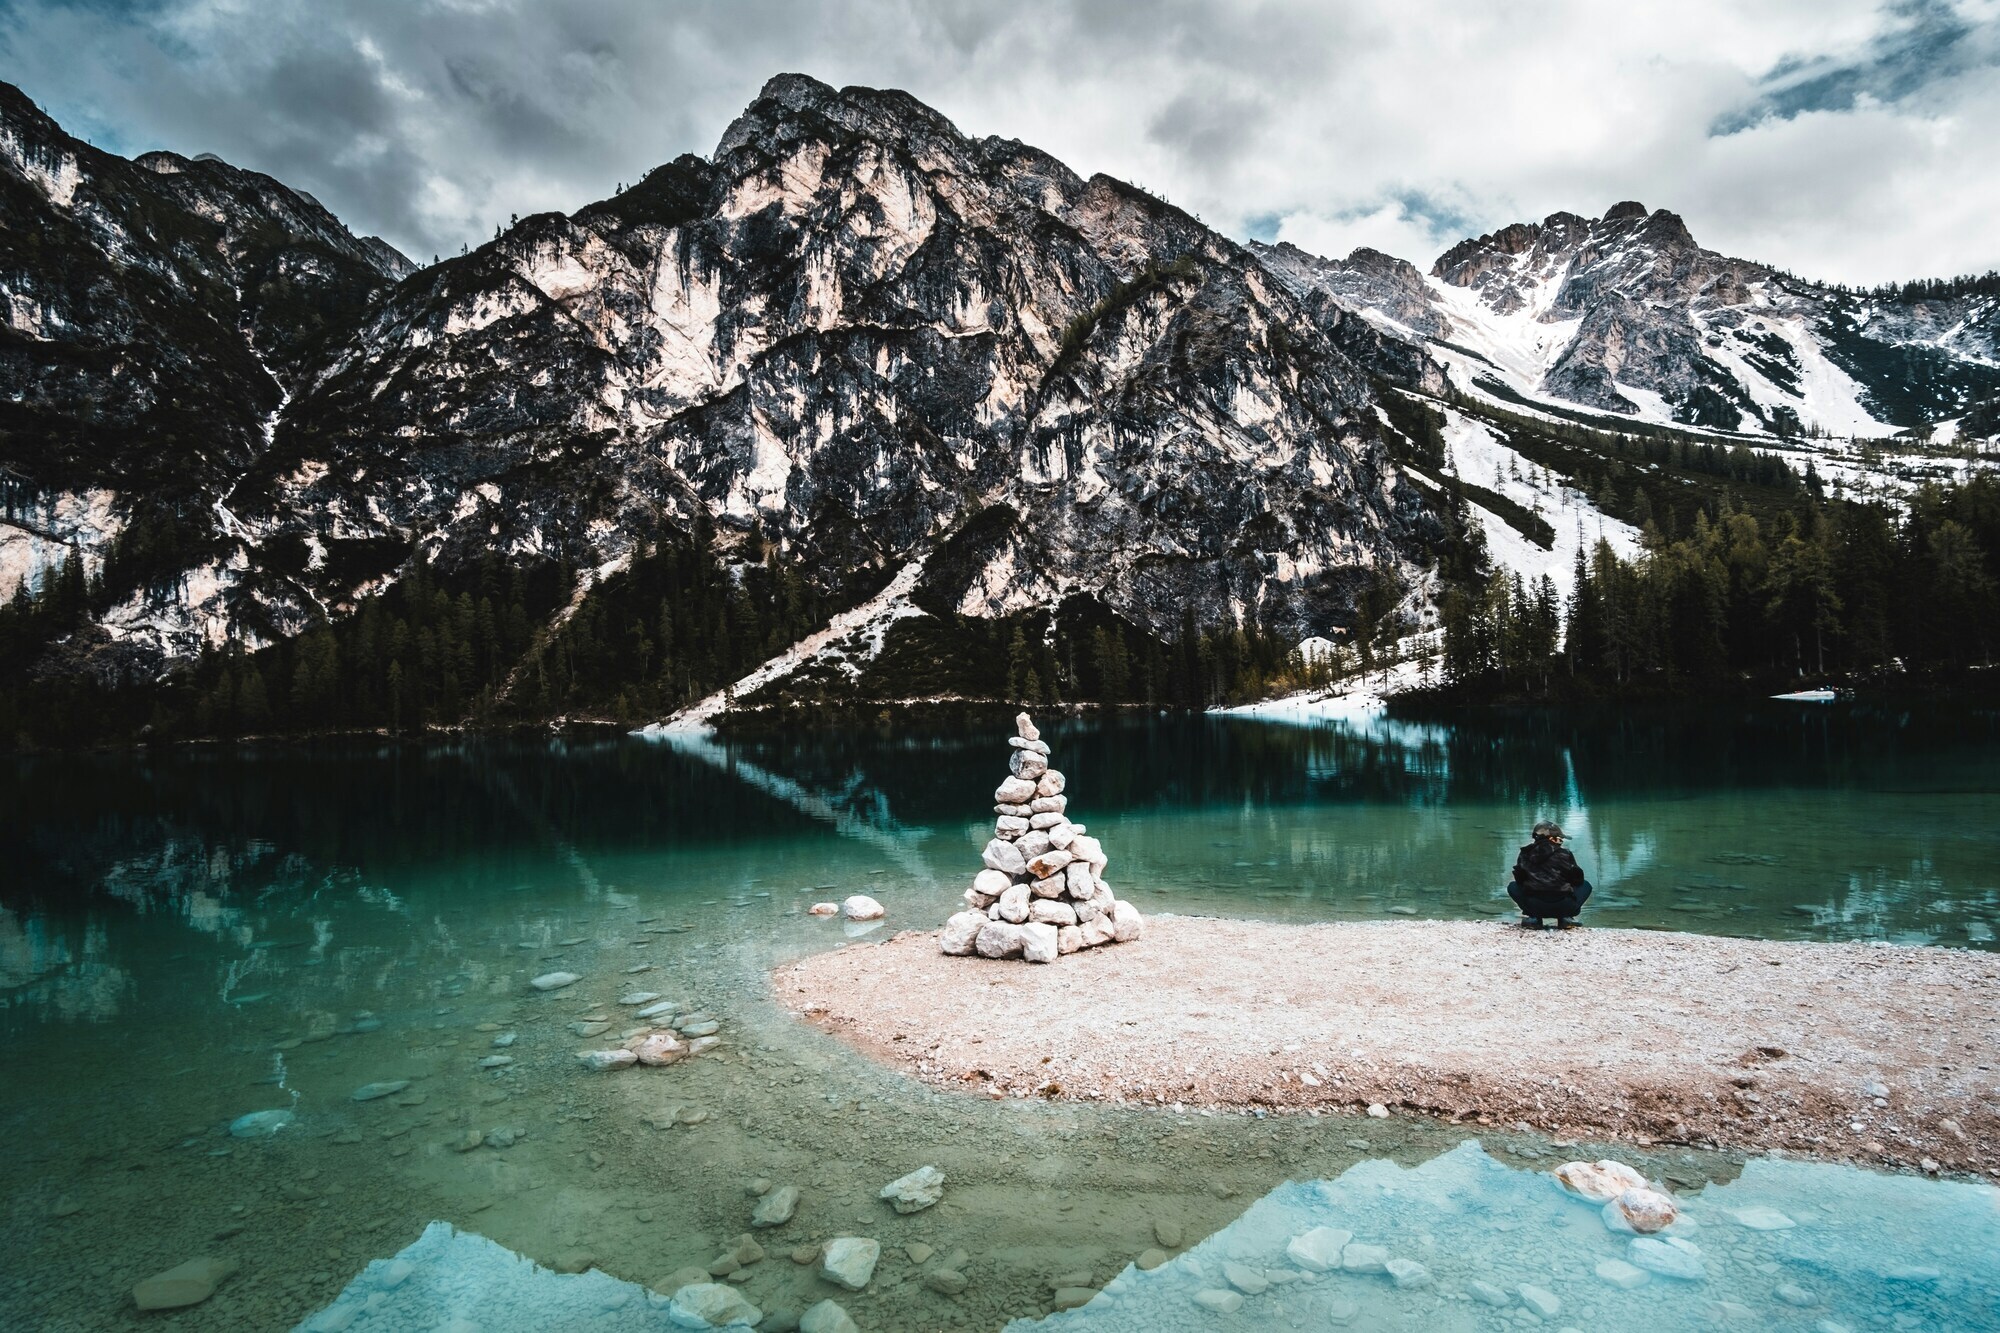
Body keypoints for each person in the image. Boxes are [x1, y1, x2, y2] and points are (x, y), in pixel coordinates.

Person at [1508, 820, 1591, 930]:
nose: (1560, 841)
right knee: (1586, 885)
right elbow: (1577, 880)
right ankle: (1565, 918)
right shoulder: (1565, 854)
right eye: (1559, 839)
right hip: (1563, 904)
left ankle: (1534, 918)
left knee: (1512, 886)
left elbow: (1520, 880)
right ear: (1551, 839)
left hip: (1534, 905)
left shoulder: (1525, 853)